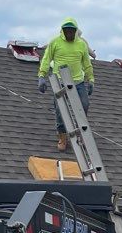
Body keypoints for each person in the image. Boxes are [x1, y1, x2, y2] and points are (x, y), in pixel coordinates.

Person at [37, 17, 95, 152]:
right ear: (63, 31)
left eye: (72, 31)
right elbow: (46, 60)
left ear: (75, 31)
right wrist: (41, 76)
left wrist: (91, 79)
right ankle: (63, 138)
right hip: (60, 80)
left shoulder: (81, 44)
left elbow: (87, 63)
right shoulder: (55, 42)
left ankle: (81, 135)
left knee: (84, 105)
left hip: (78, 81)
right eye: (67, 31)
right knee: (60, 109)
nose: (69, 33)